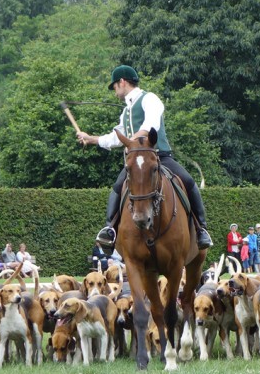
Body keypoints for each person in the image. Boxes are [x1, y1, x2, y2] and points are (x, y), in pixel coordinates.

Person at [76, 65, 212, 254]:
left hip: (159, 156)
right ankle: (109, 230)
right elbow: (116, 137)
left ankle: (201, 230)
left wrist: (131, 141)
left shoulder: (149, 99)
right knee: (117, 187)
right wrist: (91, 139)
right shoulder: (126, 112)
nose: (115, 91)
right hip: (136, 163)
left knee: (188, 181)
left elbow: (151, 124)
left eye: (115, 86)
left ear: (122, 82)